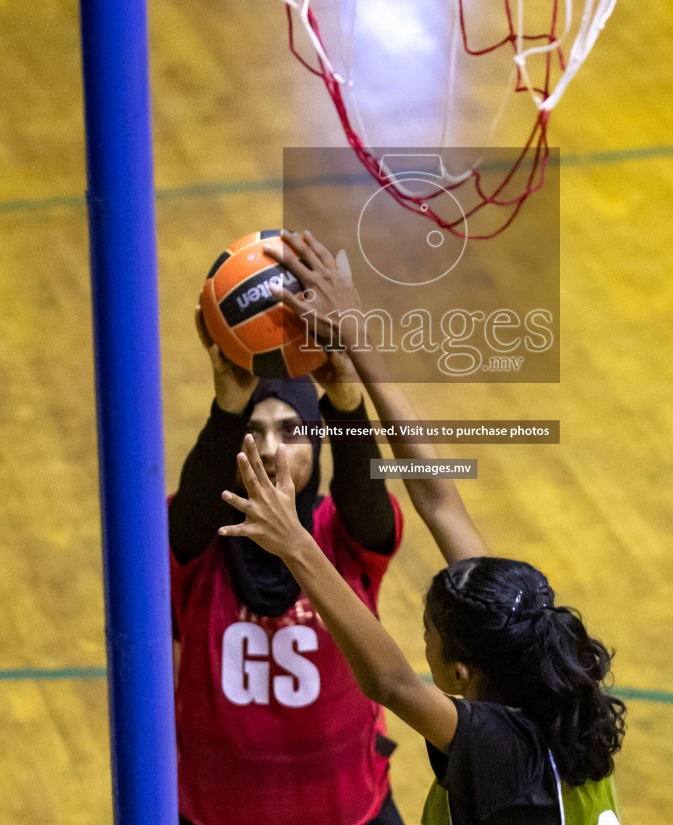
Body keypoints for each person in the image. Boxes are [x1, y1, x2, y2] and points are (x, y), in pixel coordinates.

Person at [171, 230, 487, 825]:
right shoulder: (199, 540)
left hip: (352, 812)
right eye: (254, 430)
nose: (269, 449)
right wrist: (225, 406)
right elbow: (190, 508)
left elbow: (369, 495)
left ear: (319, 447)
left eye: (291, 431)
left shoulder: (343, 536)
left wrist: (345, 403)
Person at [223, 440, 628, 825]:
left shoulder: (501, 752)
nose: (423, 640)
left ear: (460, 673)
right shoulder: (555, 688)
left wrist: (295, 544)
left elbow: (392, 684)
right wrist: (368, 371)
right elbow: (441, 504)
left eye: (427, 634)